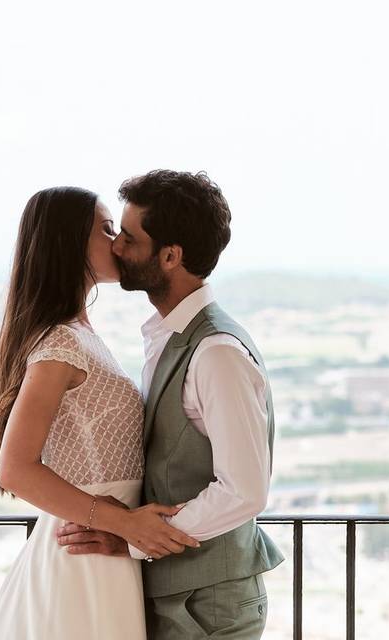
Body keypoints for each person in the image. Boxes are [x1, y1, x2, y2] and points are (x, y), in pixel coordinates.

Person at [0, 186, 199, 640]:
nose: (118, 242)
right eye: (107, 229)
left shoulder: (75, 334)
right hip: (83, 560)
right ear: (69, 242)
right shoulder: (62, 344)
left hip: (97, 552)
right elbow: (10, 466)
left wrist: (86, 503)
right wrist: (115, 518)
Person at [57, 170, 284, 639]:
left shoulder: (216, 353)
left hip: (209, 607)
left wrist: (135, 538)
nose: (117, 246)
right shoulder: (168, 337)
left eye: (130, 237)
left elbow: (244, 491)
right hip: (182, 598)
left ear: (171, 256)